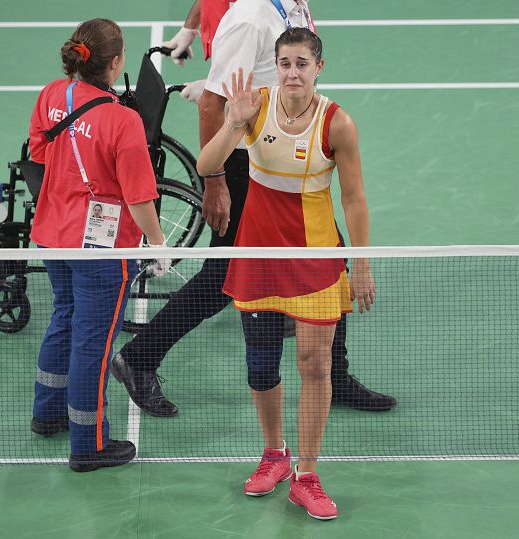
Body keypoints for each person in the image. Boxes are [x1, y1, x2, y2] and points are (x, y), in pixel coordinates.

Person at [111, 0, 396, 418]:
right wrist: (215, 182)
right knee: (223, 275)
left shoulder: (292, 7)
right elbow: (213, 104)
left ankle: (335, 375)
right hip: (249, 165)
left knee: (327, 254)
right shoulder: (250, 19)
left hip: (289, 160)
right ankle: (138, 358)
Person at [196, 27, 367, 520]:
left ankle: (307, 475)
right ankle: (274, 453)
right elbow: (209, 165)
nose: (293, 72)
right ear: (278, 66)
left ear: (318, 68)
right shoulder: (255, 108)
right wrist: (233, 124)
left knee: (315, 365)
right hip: (259, 257)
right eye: (285, 63)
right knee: (261, 366)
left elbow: (354, 200)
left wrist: (363, 264)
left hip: (316, 262)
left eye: (302, 63)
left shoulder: (338, 124)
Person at [27, 18, 169, 473]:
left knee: (64, 316)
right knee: (94, 341)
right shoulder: (123, 120)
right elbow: (139, 196)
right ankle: (88, 444)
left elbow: (38, 154)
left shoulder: (53, 94)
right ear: (116, 63)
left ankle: (47, 414)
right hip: (100, 251)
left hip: (52, 233)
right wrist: (158, 242)